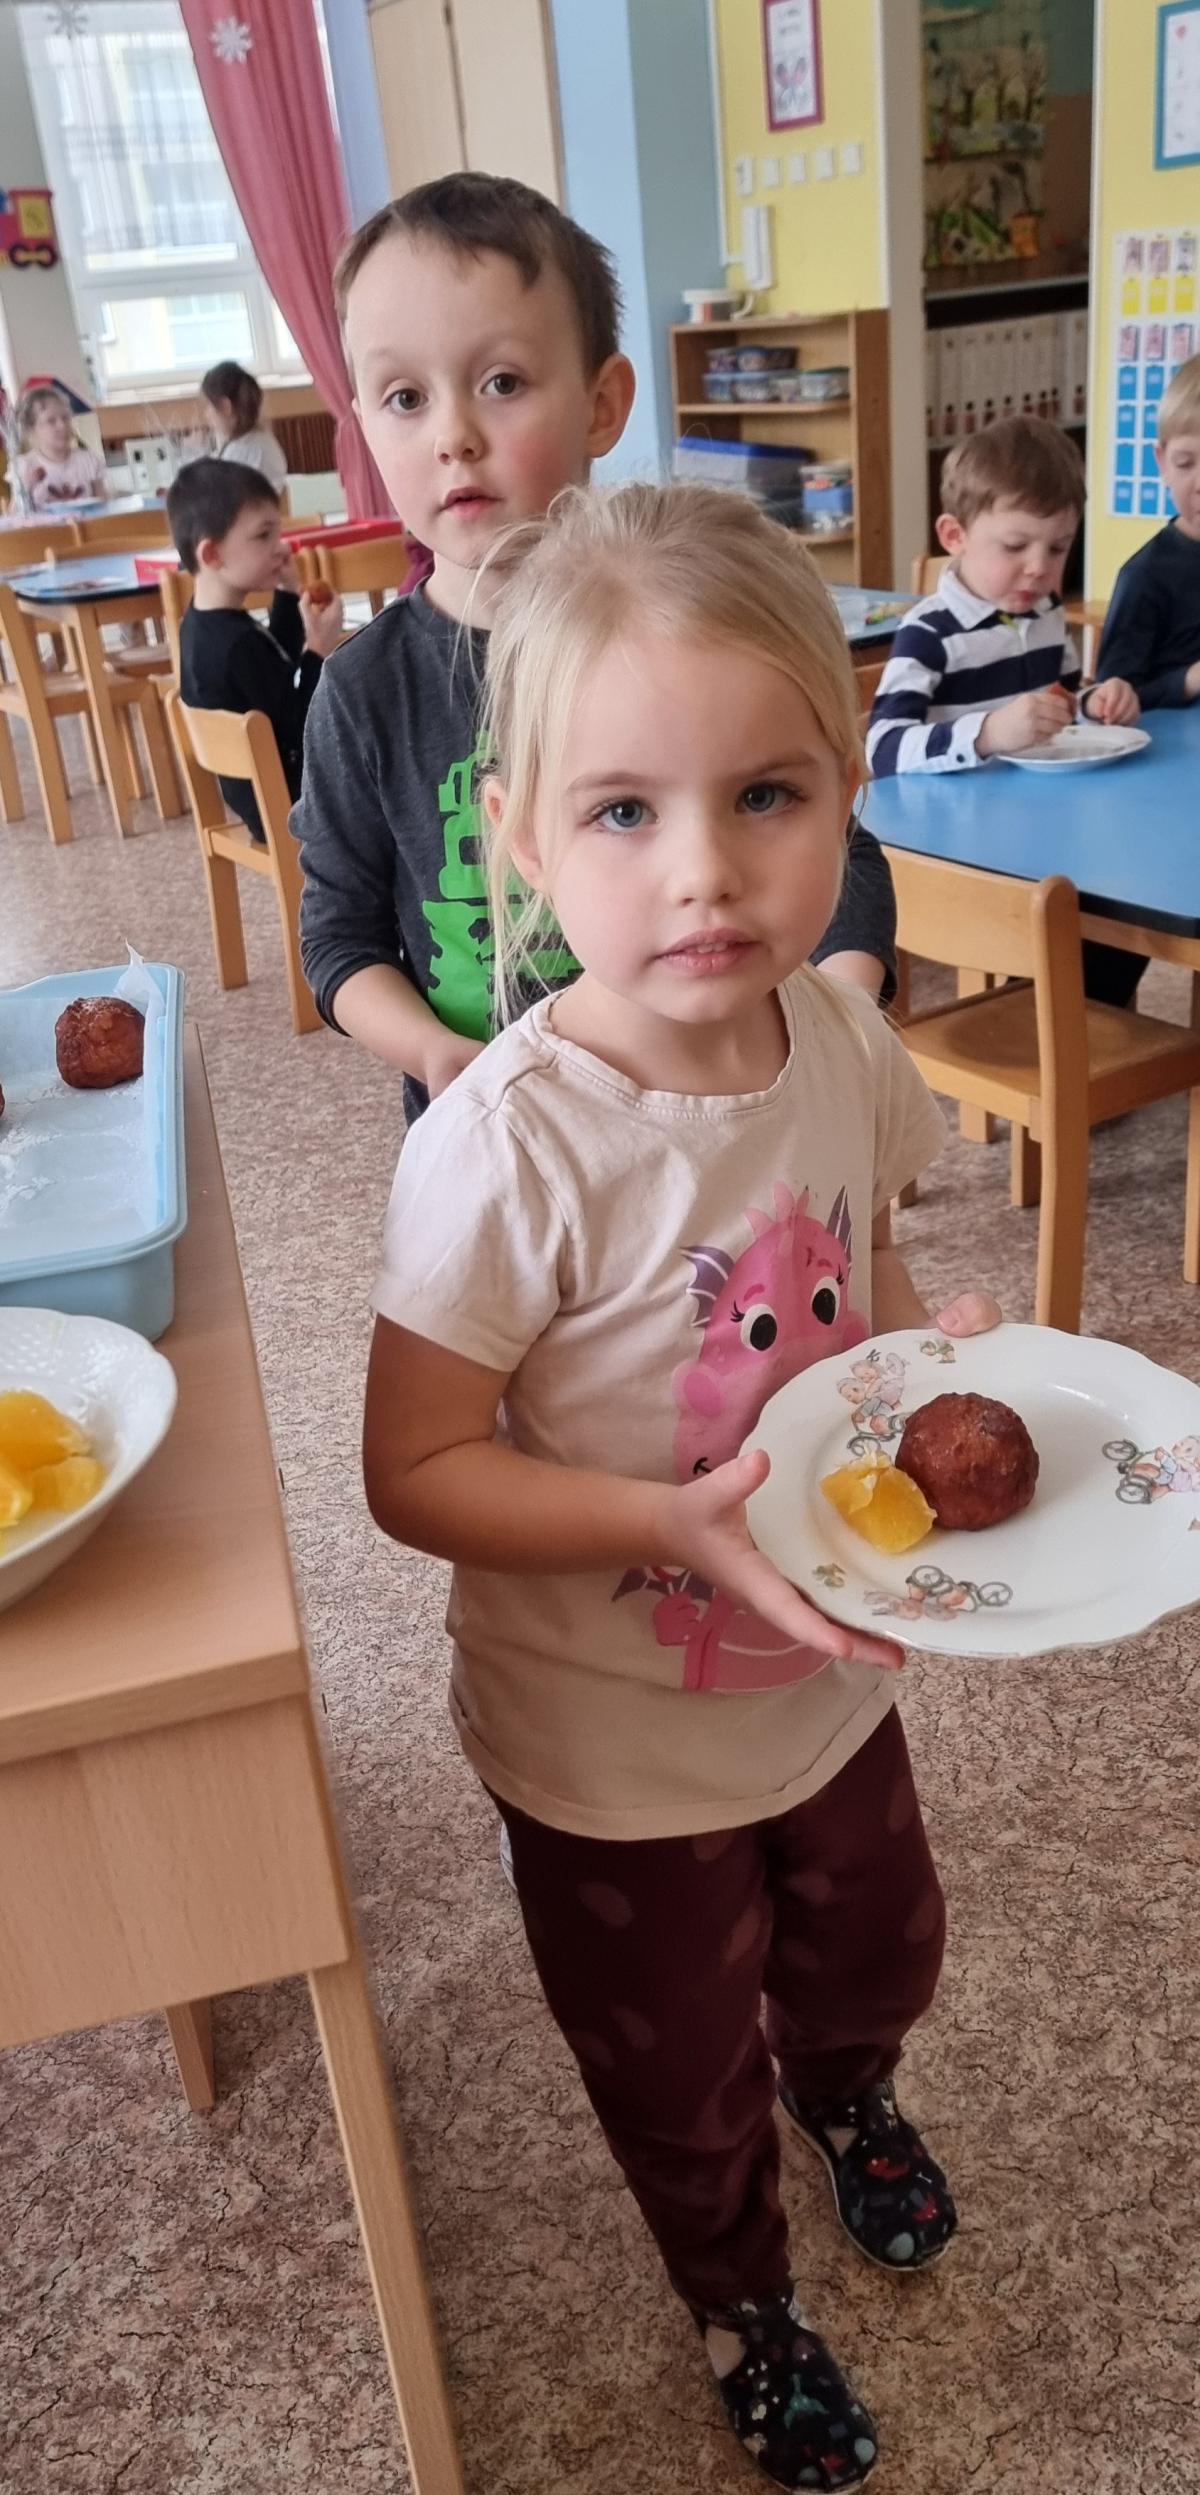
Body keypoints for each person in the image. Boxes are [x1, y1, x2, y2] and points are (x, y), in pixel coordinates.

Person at [362, 479, 1002, 2493]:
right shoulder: (504, 1147)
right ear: (524, 838)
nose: (707, 869)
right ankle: (738, 2288)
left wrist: (932, 1370)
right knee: (673, 2051)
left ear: (849, 793)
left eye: (768, 794)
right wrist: (661, 1519)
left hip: (831, 1676)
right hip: (610, 1737)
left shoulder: (840, 1043)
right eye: (626, 810)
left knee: (877, 1941)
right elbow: (411, 1467)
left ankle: (854, 2089)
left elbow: (872, 1284)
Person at [294, 173, 898, 1126]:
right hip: (500, 1130)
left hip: (719, 1112)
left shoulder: (687, 634)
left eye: (501, 383)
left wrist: (847, 1008)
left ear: (603, 402)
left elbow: (836, 836)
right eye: (404, 396)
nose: (453, 436)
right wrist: (434, 1053)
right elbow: (339, 936)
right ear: (363, 429)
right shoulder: (365, 690)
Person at [867, 415, 1144, 1007]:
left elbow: (1060, 704)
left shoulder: (1044, 613)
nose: (1039, 567)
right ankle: (1051, 1024)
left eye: (1058, 548)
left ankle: (1076, 1030)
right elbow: (882, 748)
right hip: (958, 852)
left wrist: (1095, 703)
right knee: (1086, 929)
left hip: (1035, 830)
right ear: (955, 535)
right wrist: (989, 733)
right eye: (1016, 547)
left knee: (1126, 911)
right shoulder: (929, 632)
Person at [166, 456, 342, 845]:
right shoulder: (237, 645)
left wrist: (287, 595)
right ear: (212, 555)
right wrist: (318, 650)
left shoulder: (201, 624)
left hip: (263, 801)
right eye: (263, 536)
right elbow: (303, 725)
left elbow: (275, 669)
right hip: (293, 804)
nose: (281, 547)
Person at [1095, 352, 1200, 709]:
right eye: (1185, 463)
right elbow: (1110, 699)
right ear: (1162, 464)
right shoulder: (1145, 575)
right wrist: (1188, 680)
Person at [200, 359, 289, 494]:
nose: (206, 414)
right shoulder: (255, 440)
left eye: (208, 406)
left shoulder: (244, 450)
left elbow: (219, 497)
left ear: (225, 406)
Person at [14, 384, 109, 508]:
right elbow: (13, 514)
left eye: (65, 418)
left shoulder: (88, 461)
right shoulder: (25, 466)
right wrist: (25, 487)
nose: (62, 426)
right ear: (32, 429)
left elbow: (105, 506)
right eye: (51, 421)